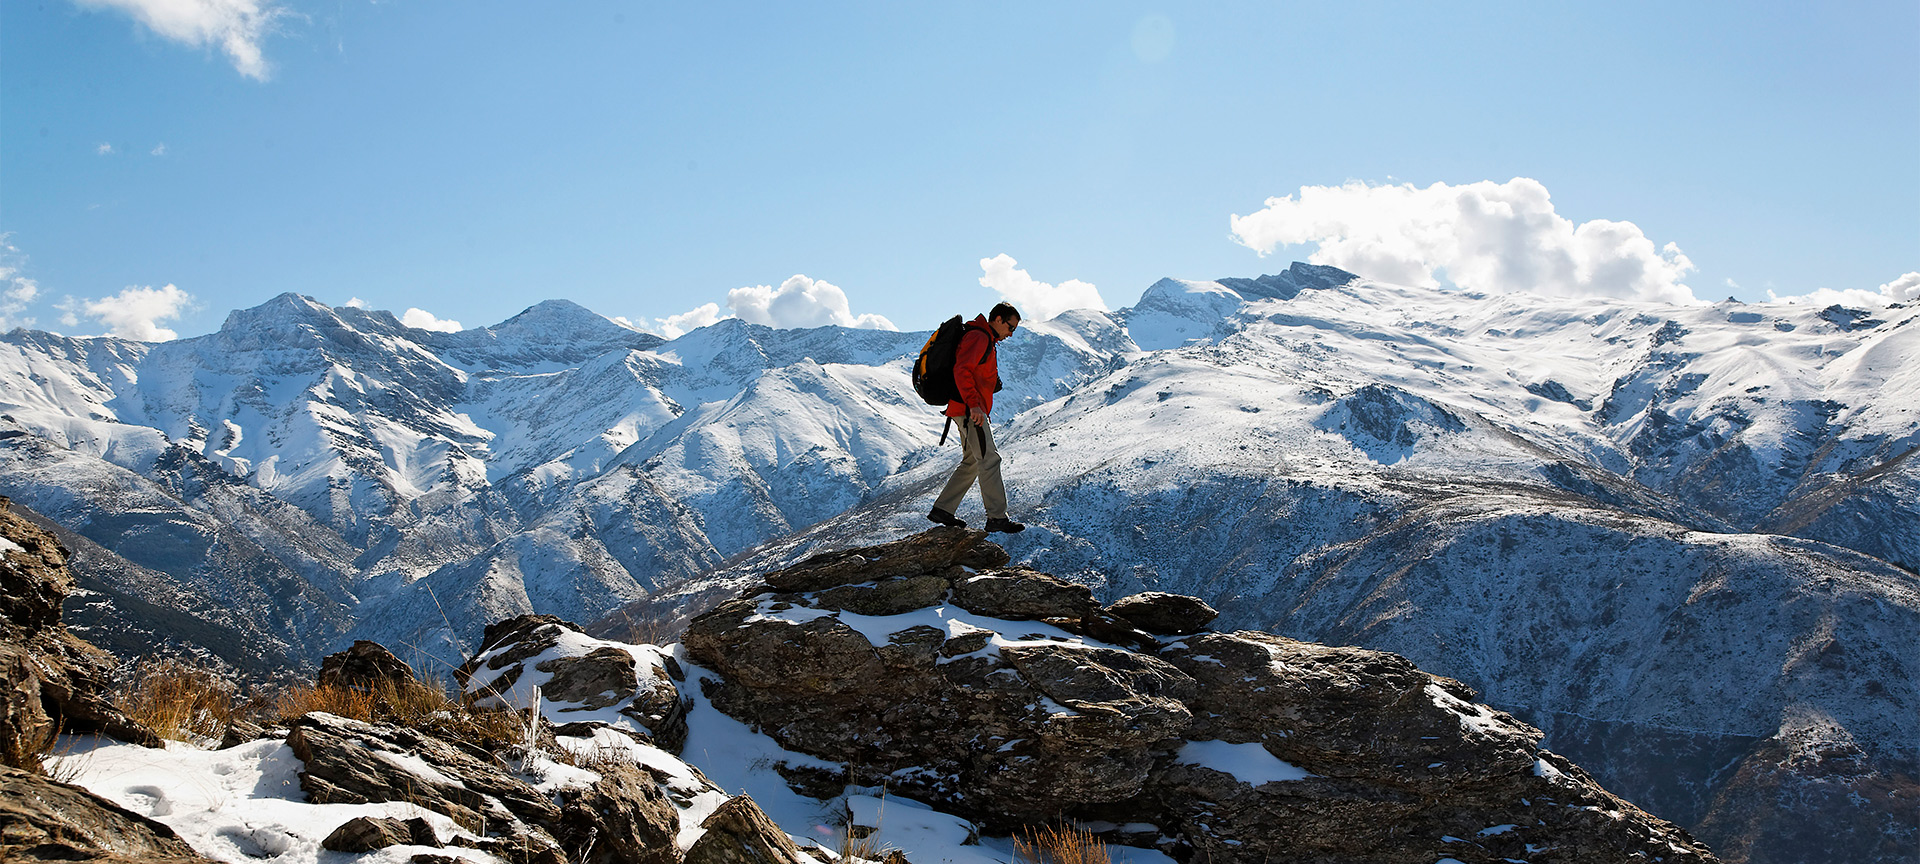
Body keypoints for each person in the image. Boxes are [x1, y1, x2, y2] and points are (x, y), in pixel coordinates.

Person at [928, 302, 1025, 533]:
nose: (1010, 334)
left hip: (964, 409)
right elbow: (962, 370)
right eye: (1010, 327)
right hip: (969, 410)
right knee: (989, 459)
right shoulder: (980, 337)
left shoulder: (985, 339)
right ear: (998, 319)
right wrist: (974, 405)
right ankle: (997, 517)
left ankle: (943, 509)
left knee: (972, 461)